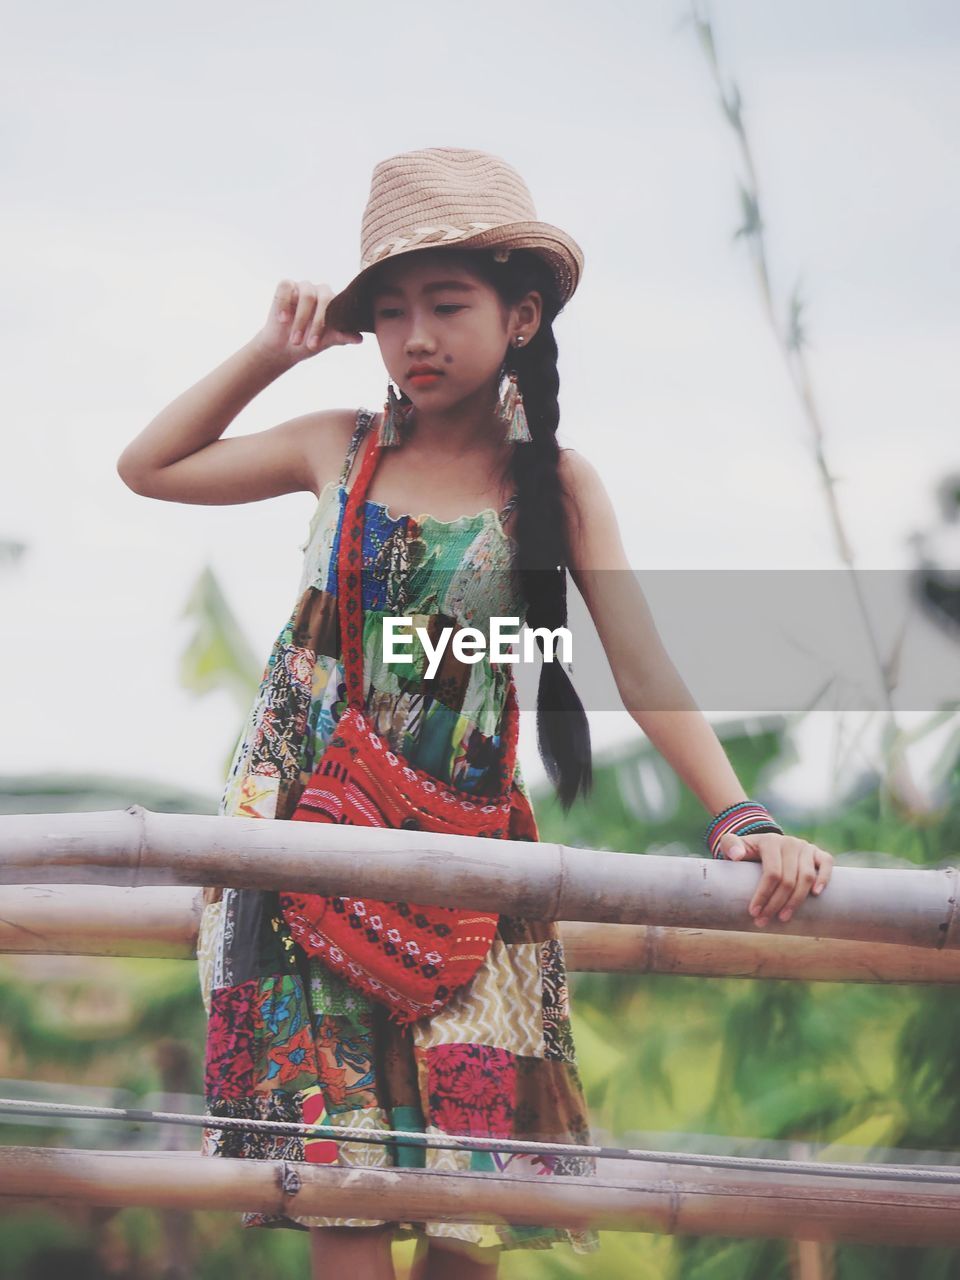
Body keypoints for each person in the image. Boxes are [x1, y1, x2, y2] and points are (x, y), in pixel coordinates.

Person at [117, 147, 834, 1280]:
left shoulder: (554, 481)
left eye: (448, 304)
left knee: (471, 1213)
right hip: (301, 859)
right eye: (391, 311)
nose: (417, 336)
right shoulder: (336, 447)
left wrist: (740, 813)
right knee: (343, 1206)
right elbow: (147, 465)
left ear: (523, 315)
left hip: (465, 875)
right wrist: (267, 351)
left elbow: (640, 662)